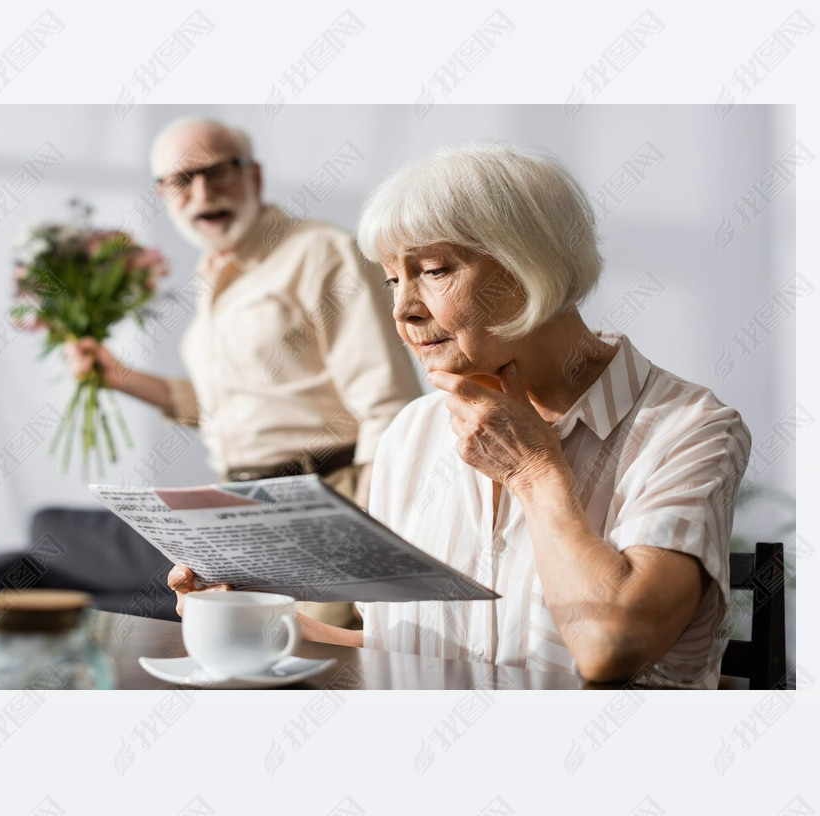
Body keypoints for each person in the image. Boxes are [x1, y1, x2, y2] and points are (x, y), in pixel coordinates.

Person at [186, 141, 748, 686]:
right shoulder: (412, 431)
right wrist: (258, 621)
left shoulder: (690, 429)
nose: (403, 310)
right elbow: (405, 652)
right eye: (392, 279)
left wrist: (534, 473)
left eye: (432, 270)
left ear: (534, 265)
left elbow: (610, 648)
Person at [67, 117, 419, 627]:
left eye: (219, 172)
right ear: (163, 194)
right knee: (241, 676)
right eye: (182, 180)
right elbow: (227, 406)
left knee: (318, 668)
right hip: (238, 510)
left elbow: (388, 400)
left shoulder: (321, 251)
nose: (204, 192)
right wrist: (119, 376)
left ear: (254, 177)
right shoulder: (211, 275)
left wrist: (365, 526)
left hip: (328, 497)